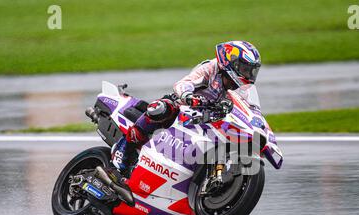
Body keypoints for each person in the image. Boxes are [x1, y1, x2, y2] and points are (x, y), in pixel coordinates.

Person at [104, 40, 261, 188]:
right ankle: (120, 158)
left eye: (252, 71)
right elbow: (183, 83)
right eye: (246, 69)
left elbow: (246, 108)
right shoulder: (210, 68)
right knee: (159, 109)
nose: (249, 75)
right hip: (184, 107)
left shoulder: (241, 89)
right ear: (231, 62)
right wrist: (188, 96)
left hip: (210, 118)